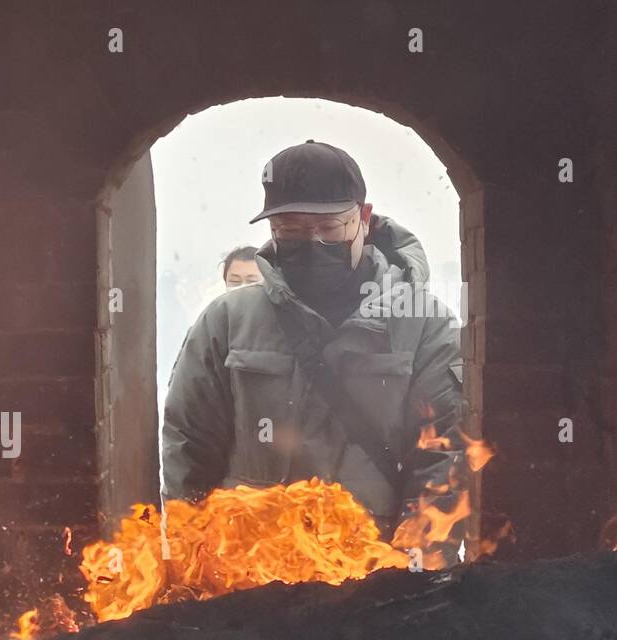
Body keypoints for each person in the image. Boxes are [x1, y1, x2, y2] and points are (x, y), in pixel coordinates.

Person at [161, 140, 467, 551]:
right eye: (292, 230)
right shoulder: (227, 320)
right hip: (247, 575)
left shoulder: (426, 325)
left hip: (372, 577)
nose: (313, 243)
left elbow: (442, 465)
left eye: (329, 229)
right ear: (272, 231)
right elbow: (189, 446)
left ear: (364, 217)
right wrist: (191, 555)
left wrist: (416, 581)